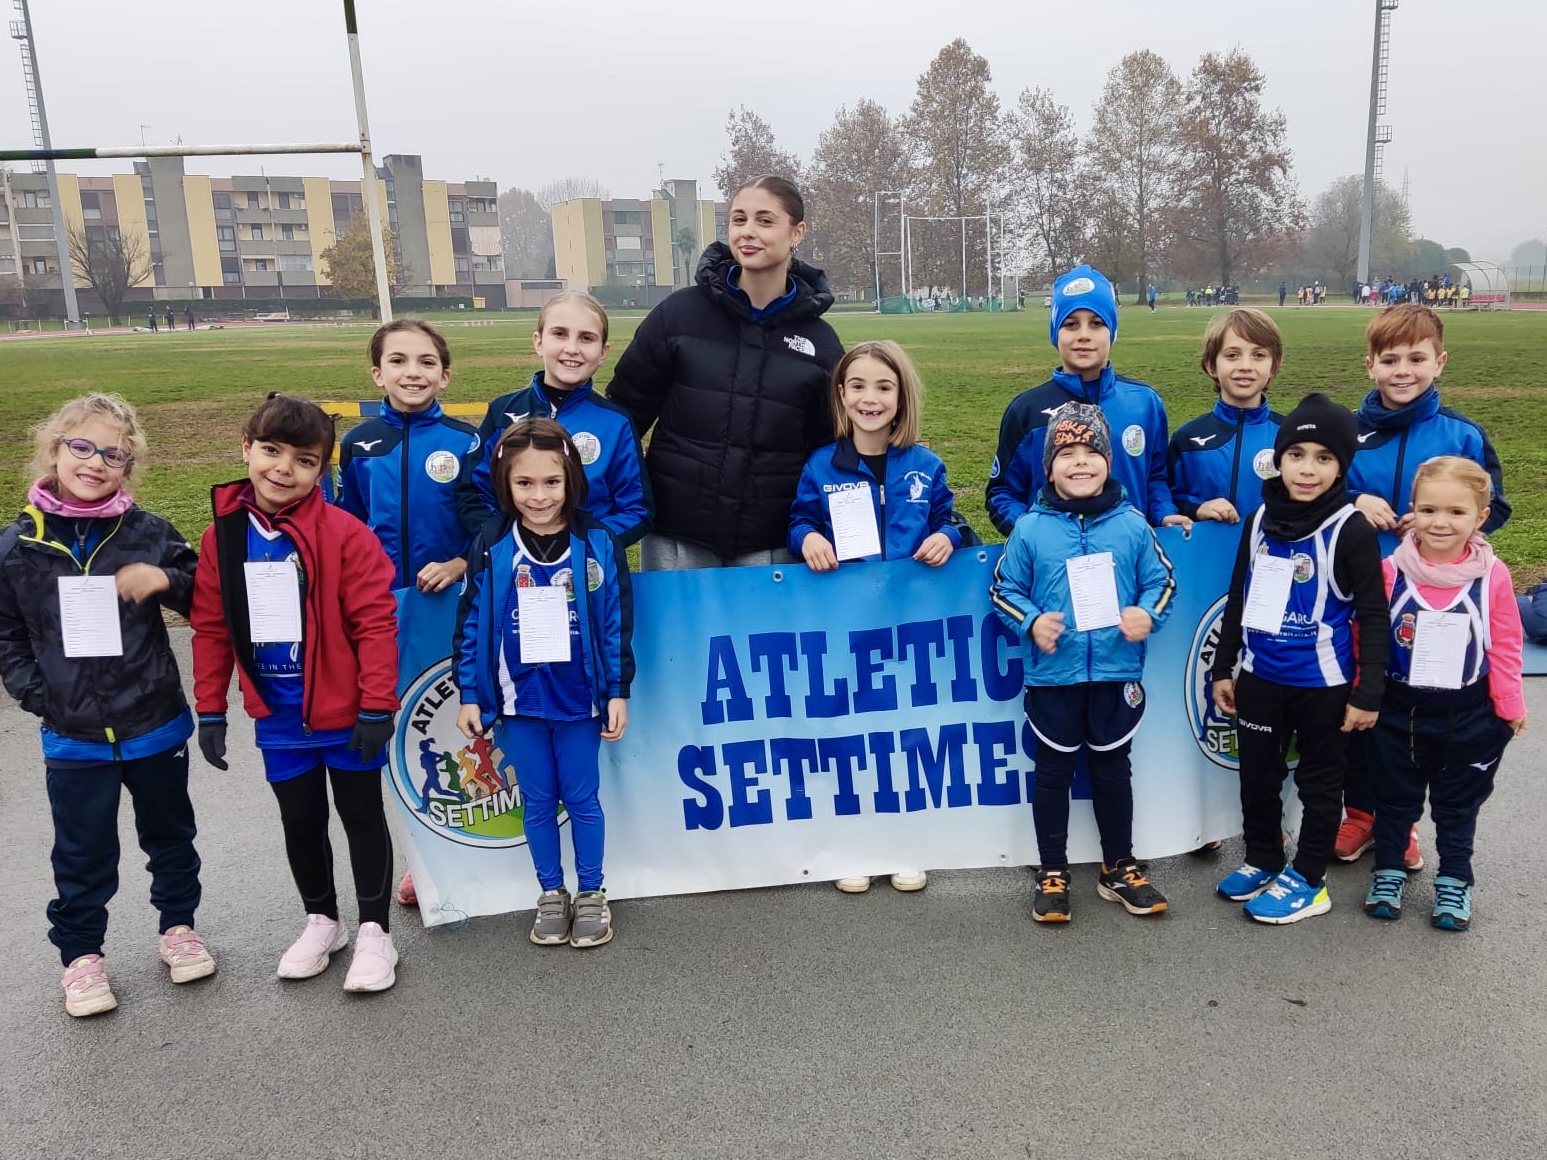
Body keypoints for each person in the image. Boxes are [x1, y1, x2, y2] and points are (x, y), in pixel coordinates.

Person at [0, 393, 212, 1017]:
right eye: (82, 447)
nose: (95, 463)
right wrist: (37, 694)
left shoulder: (146, 533)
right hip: (73, 734)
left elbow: (206, 598)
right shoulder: (19, 546)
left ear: (129, 465)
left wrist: (168, 581)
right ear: (55, 450)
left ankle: (178, 926)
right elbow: (7, 633)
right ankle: (82, 957)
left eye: (113, 455)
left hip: (153, 722)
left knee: (170, 835)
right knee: (82, 848)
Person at [190, 393, 402, 992]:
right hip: (278, 715)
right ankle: (321, 919)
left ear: (322, 470)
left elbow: (375, 623)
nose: (283, 469)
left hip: (346, 711)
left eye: (304, 460)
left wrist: (376, 704)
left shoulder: (347, 534)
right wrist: (211, 707)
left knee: (360, 816)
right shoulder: (222, 537)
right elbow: (210, 626)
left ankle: (374, 933)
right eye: (270, 451)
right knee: (301, 820)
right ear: (247, 449)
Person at [990, 402, 1176, 923]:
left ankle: (1119, 867)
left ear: (1108, 462)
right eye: (1066, 452)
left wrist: (1147, 614)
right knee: (1051, 772)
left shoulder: (1134, 525)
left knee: (1113, 771)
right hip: (1053, 675)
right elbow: (1003, 589)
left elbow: (1162, 582)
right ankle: (1053, 871)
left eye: (1091, 451)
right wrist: (1030, 621)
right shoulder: (1029, 528)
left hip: (1117, 674)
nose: (1080, 462)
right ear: (1048, 466)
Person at [1337, 304, 1509, 864]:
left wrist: (1436, 519)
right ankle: (1362, 814)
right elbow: (1311, 487)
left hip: (1435, 602)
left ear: (1440, 361)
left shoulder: (1461, 433)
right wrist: (1353, 501)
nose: (1403, 370)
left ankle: (1401, 824)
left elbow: (1495, 507)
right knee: (1363, 703)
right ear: (1369, 365)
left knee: (1414, 713)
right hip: (1356, 590)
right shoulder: (1347, 432)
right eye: (1390, 359)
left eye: (1417, 358)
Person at [788, 339, 960, 895]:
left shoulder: (925, 465)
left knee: (906, 736)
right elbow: (798, 523)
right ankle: (851, 846)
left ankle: (907, 844)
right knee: (847, 736)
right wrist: (809, 537)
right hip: (845, 627)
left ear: (901, 396)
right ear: (841, 394)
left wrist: (946, 536)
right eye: (858, 386)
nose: (870, 398)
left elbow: (953, 522)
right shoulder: (821, 464)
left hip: (908, 628)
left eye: (883, 387)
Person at [1210, 393, 1389, 925]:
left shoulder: (1350, 527)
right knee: (1257, 776)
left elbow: (1374, 616)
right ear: (1280, 458)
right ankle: (1264, 855)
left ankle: (1310, 879)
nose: (1307, 469)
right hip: (1262, 676)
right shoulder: (1260, 517)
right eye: (1297, 454)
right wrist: (1225, 667)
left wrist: (1368, 691)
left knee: (1319, 783)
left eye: (1323, 458)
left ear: (1341, 467)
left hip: (1322, 684)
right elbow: (1239, 596)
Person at [454, 419, 633, 948]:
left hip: (580, 699)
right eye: (524, 483)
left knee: (582, 799)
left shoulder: (597, 538)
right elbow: (470, 622)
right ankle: (551, 893)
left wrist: (617, 689)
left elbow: (617, 620)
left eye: (551, 482)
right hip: (517, 700)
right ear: (505, 484)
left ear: (571, 479)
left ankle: (593, 893)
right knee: (536, 802)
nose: (538, 495)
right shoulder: (491, 541)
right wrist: (470, 692)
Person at [607, 175, 843, 569]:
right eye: (738, 219)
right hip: (677, 532)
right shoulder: (678, 314)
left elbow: (832, 449)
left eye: (765, 221)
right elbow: (623, 417)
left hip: (773, 540)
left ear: (796, 232)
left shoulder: (821, 343)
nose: (748, 232)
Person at [336, 319, 484, 909]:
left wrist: (456, 563)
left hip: (448, 605)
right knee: (396, 731)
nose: (412, 373)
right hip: (379, 612)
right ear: (377, 373)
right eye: (398, 362)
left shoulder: (465, 441)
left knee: (451, 721)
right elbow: (346, 524)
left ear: (445, 374)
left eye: (426, 362)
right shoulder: (359, 444)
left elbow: (487, 527)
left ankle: (465, 841)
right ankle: (417, 856)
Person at [1363, 458, 1526, 931]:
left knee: (1458, 805)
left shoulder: (1492, 575)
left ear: (1480, 516)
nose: (1440, 522)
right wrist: (1363, 695)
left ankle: (1455, 880)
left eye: (1456, 512)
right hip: (1398, 710)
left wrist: (1509, 705)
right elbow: (1365, 638)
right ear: (1412, 510)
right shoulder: (1390, 571)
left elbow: (1507, 642)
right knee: (1394, 799)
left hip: (1469, 714)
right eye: (1429, 509)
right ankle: (1389, 869)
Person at [986, 264, 1188, 536]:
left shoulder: (1145, 404)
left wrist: (1164, 515)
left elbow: (1155, 479)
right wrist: (1031, 535)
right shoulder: (1026, 410)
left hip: (1129, 559)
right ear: (1055, 332)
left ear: (1112, 331)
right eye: (1071, 324)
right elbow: (1002, 492)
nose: (1083, 334)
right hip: (1053, 567)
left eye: (1097, 323)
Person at [467, 292, 649, 547]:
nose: (572, 348)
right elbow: (475, 491)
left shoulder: (615, 422)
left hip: (588, 569)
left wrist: (583, 543)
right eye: (560, 334)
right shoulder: (502, 412)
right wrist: (505, 541)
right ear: (538, 342)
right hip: (513, 565)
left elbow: (636, 510)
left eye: (586, 338)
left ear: (603, 352)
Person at [1167, 308, 1284, 526]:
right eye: (1232, 355)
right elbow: (1167, 500)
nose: (1245, 366)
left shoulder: (1289, 436)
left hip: (1270, 557)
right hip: (1205, 557)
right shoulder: (1187, 439)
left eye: (1258, 355)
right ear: (1211, 365)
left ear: (1274, 366)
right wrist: (1197, 509)